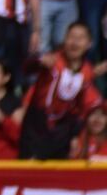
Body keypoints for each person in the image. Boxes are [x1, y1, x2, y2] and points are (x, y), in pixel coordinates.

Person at [20, 21, 102, 159]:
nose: (74, 42)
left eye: (80, 38)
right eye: (71, 37)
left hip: (62, 132)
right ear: (65, 39)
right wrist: (39, 61)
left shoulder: (87, 71)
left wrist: (75, 135)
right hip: (36, 126)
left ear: (89, 44)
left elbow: (82, 108)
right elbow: (27, 68)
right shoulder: (52, 60)